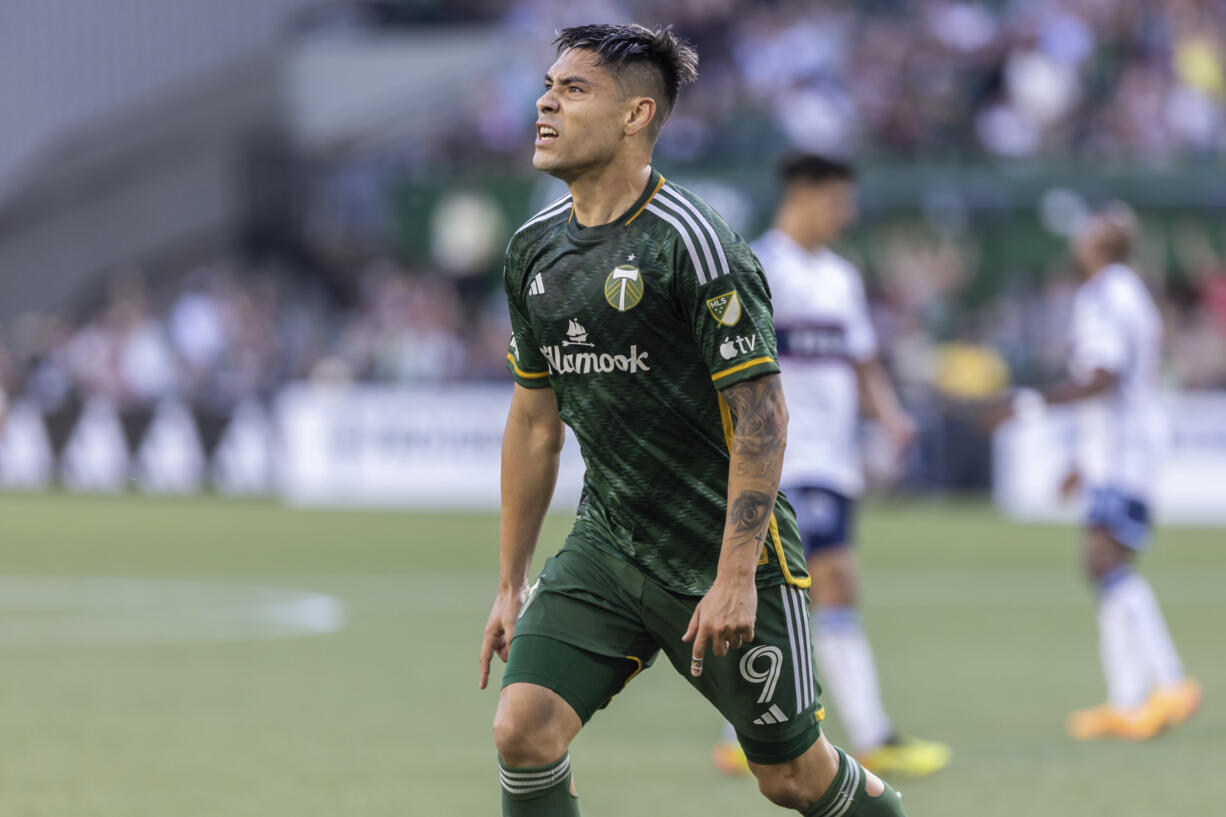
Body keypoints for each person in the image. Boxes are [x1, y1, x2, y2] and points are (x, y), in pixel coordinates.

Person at [478, 24, 907, 817]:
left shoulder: (696, 243)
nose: (545, 102)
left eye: (574, 91)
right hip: (608, 544)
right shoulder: (532, 251)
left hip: (723, 554)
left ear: (637, 114)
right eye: (548, 86)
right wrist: (511, 580)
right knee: (523, 727)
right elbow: (535, 424)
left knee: (791, 777)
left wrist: (738, 574)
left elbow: (763, 414)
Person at [712, 155, 950, 779]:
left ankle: (741, 734)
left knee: (790, 593)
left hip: (834, 463)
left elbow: (861, 362)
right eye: (839, 201)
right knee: (831, 583)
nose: (847, 214)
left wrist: (892, 417)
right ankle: (872, 734)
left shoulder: (842, 277)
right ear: (803, 195)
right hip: (785, 460)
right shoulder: (760, 265)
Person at [984, 203, 1202, 740]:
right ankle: (1127, 701)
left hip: (1125, 449)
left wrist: (1025, 405)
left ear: (1100, 243)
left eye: (1087, 232)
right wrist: (1081, 460)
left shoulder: (1105, 294)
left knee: (1105, 560)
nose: (1078, 240)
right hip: (1116, 448)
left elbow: (1103, 377)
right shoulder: (1125, 291)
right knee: (1105, 564)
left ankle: (1169, 682)